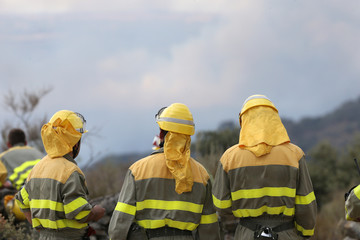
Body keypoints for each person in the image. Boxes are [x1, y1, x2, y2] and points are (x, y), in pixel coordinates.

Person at [108, 103, 221, 240]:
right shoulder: (202, 174)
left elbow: (119, 225)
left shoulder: (138, 170)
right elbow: (209, 229)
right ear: (188, 136)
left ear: (161, 133)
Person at [212, 95, 317, 240]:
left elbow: (221, 206)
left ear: (243, 120)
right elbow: (305, 203)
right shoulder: (295, 155)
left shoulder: (230, 157)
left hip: (246, 233)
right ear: (274, 119)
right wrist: (305, 233)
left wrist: (243, 219)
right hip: (286, 233)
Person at [15, 110, 105, 240]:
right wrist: (96, 212)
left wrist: (39, 228)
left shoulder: (38, 168)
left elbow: (21, 200)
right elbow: (79, 213)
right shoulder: (70, 171)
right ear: (75, 143)